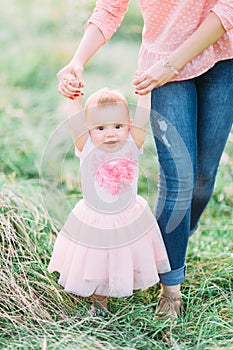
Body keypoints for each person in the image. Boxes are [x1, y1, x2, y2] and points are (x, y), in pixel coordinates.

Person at [56, 1, 233, 319]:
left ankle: (175, 237)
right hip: (161, 62)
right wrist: (77, 61)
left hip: (223, 54)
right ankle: (171, 287)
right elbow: (110, 9)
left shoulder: (128, 140)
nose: (111, 134)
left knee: (203, 177)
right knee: (180, 178)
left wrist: (173, 64)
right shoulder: (91, 146)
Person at [48, 83, 171, 316]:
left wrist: (144, 95)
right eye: (101, 128)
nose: (111, 133)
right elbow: (75, 121)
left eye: (118, 126)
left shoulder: (133, 143)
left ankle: (125, 283)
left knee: (126, 255)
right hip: (97, 217)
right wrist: (73, 98)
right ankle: (99, 302)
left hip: (128, 215)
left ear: (129, 126)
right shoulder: (86, 147)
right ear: (89, 130)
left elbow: (143, 119)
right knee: (98, 263)